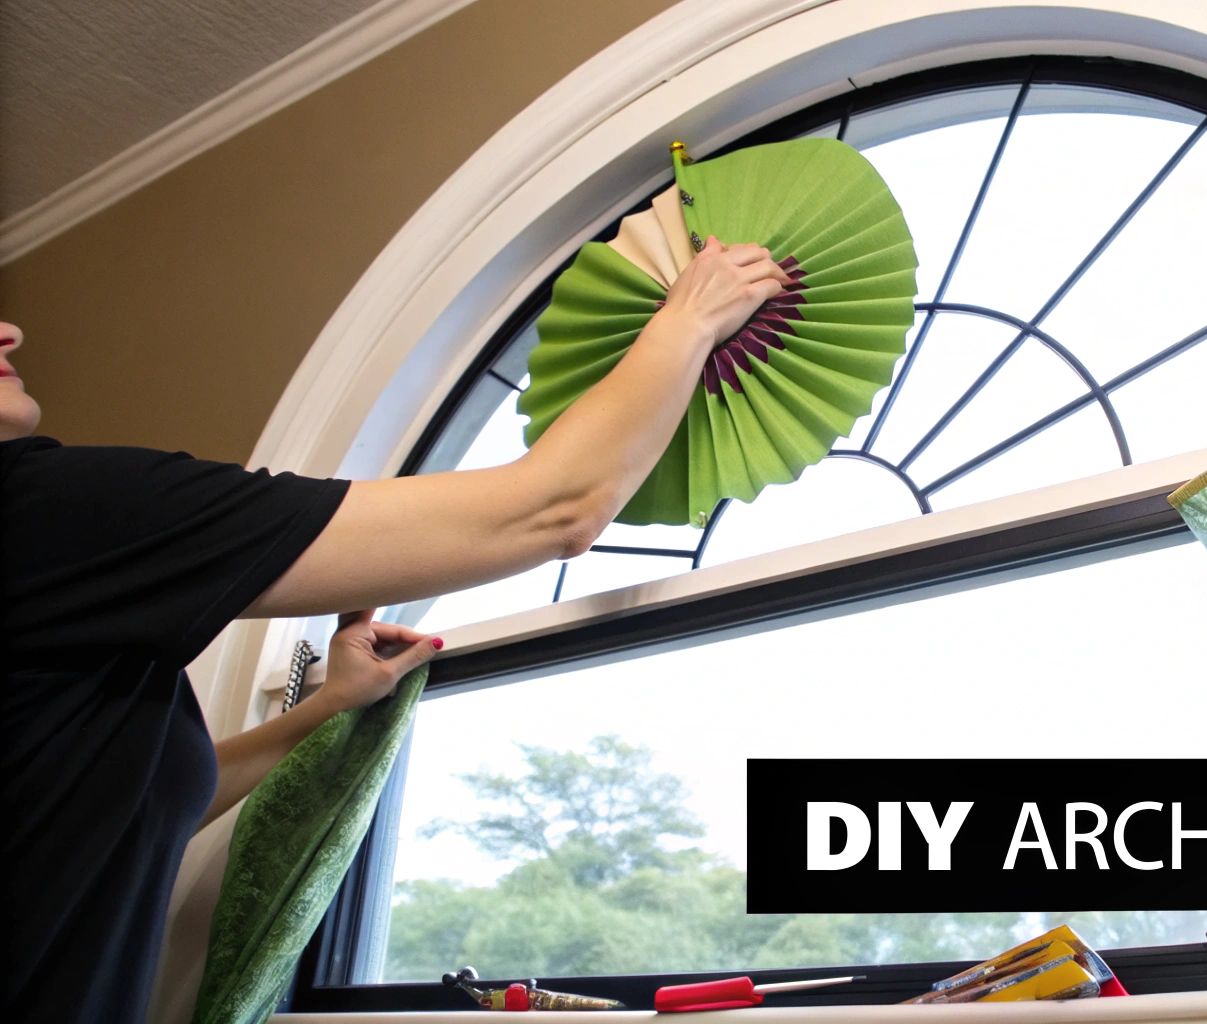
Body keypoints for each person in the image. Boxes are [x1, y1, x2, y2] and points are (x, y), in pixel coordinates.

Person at [0, 238, 788, 1024]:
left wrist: (327, 706)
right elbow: (552, 510)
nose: (11, 331)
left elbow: (109, 817)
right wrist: (690, 318)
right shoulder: (36, 509)